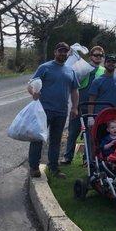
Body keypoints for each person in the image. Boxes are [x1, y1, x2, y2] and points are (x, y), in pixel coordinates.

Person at [28, 42, 79, 179]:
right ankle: (34, 167)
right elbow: (31, 84)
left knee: (56, 141)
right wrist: (33, 92)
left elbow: (74, 90)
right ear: (55, 52)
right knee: (38, 138)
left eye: (65, 51)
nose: (63, 53)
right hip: (44, 111)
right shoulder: (45, 68)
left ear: (68, 53)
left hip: (61, 112)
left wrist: (74, 107)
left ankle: (54, 168)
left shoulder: (70, 70)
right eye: (60, 51)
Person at [61, 46, 105, 165]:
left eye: (100, 56)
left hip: (93, 108)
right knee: (73, 132)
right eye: (96, 55)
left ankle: (87, 159)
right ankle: (67, 157)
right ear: (91, 56)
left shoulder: (103, 71)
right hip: (79, 105)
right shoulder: (82, 66)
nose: (98, 57)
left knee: (91, 134)